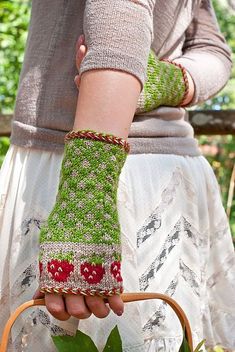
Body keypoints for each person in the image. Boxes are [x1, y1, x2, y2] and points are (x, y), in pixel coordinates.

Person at [0, 0, 235, 351]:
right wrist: (164, 80)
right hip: (160, 176)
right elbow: (214, 52)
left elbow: (122, 11)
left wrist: (84, 198)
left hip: (88, 171)